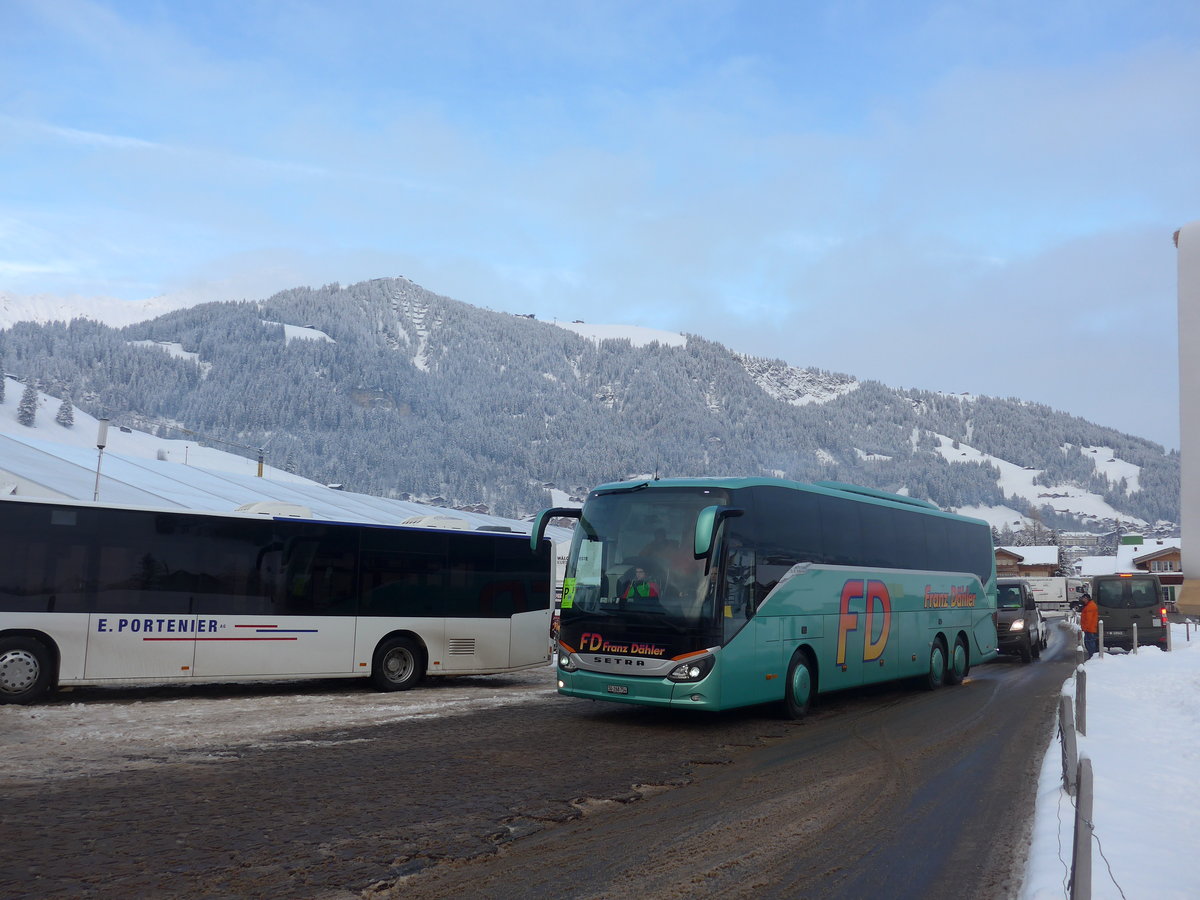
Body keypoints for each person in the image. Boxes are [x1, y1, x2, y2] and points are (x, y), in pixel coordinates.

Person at [1079, 592, 1099, 659]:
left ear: (1086, 598)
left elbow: (1088, 619)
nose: (1082, 600)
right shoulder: (1089, 605)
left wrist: (1086, 628)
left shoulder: (1090, 606)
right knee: (1089, 642)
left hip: (1089, 628)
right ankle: (1092, 655)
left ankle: (1092, 656)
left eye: (1083, 598)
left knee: (1090, 643)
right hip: (1089, 628)